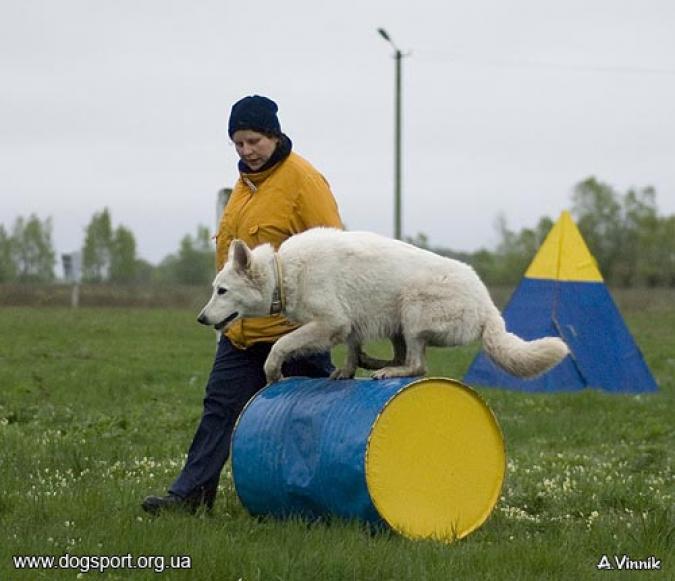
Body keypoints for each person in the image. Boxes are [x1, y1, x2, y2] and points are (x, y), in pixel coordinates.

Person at [142, 95, 343, 514]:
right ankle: (190, 498)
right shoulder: (244, 186)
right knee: (219, 410)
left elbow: (334, 249)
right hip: (239, 331)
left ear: (274, 135)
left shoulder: (304, 181)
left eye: (253, 141)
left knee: (312, 420)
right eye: (237, 144)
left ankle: (325, 502)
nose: (246, 151)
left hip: (294, 333)